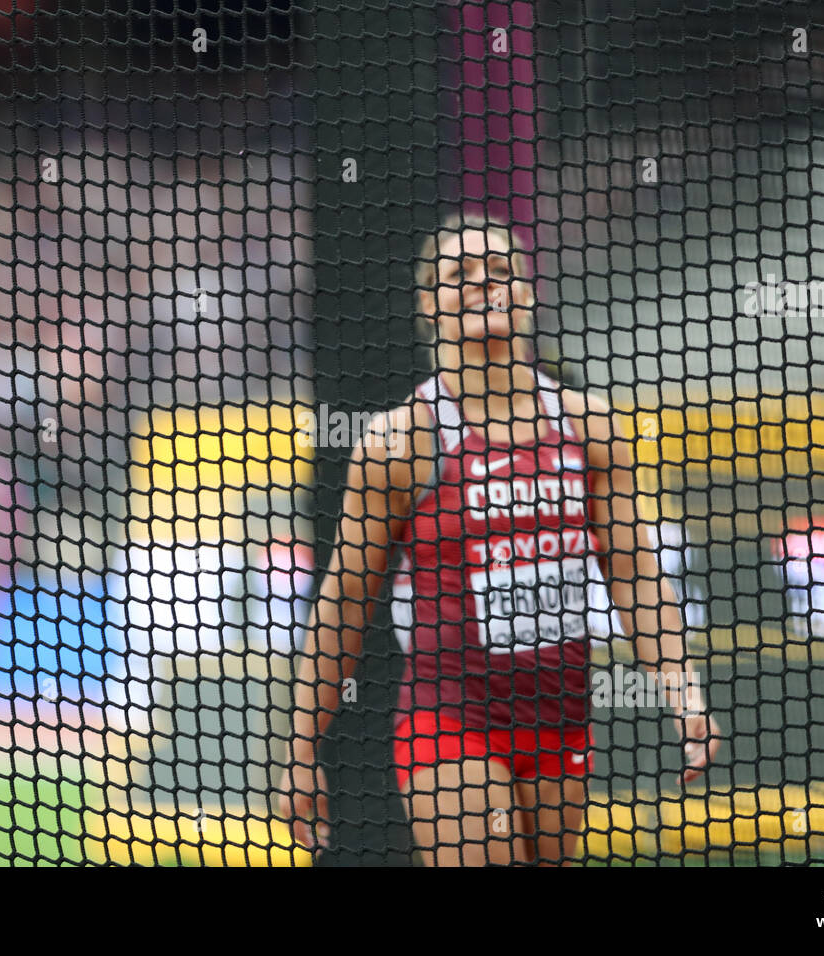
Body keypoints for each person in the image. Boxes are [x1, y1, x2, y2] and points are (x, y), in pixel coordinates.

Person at [274, 210, 721, 866]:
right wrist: (303, 752)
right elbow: (343, 603)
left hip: (559, 717)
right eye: (461, 274)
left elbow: (633, 574)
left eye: (501, 271)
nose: (485, 283)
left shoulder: (590, 428)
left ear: (528, 292)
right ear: (429, 305)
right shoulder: (400, 442)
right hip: (449, 716)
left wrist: (686, 697)